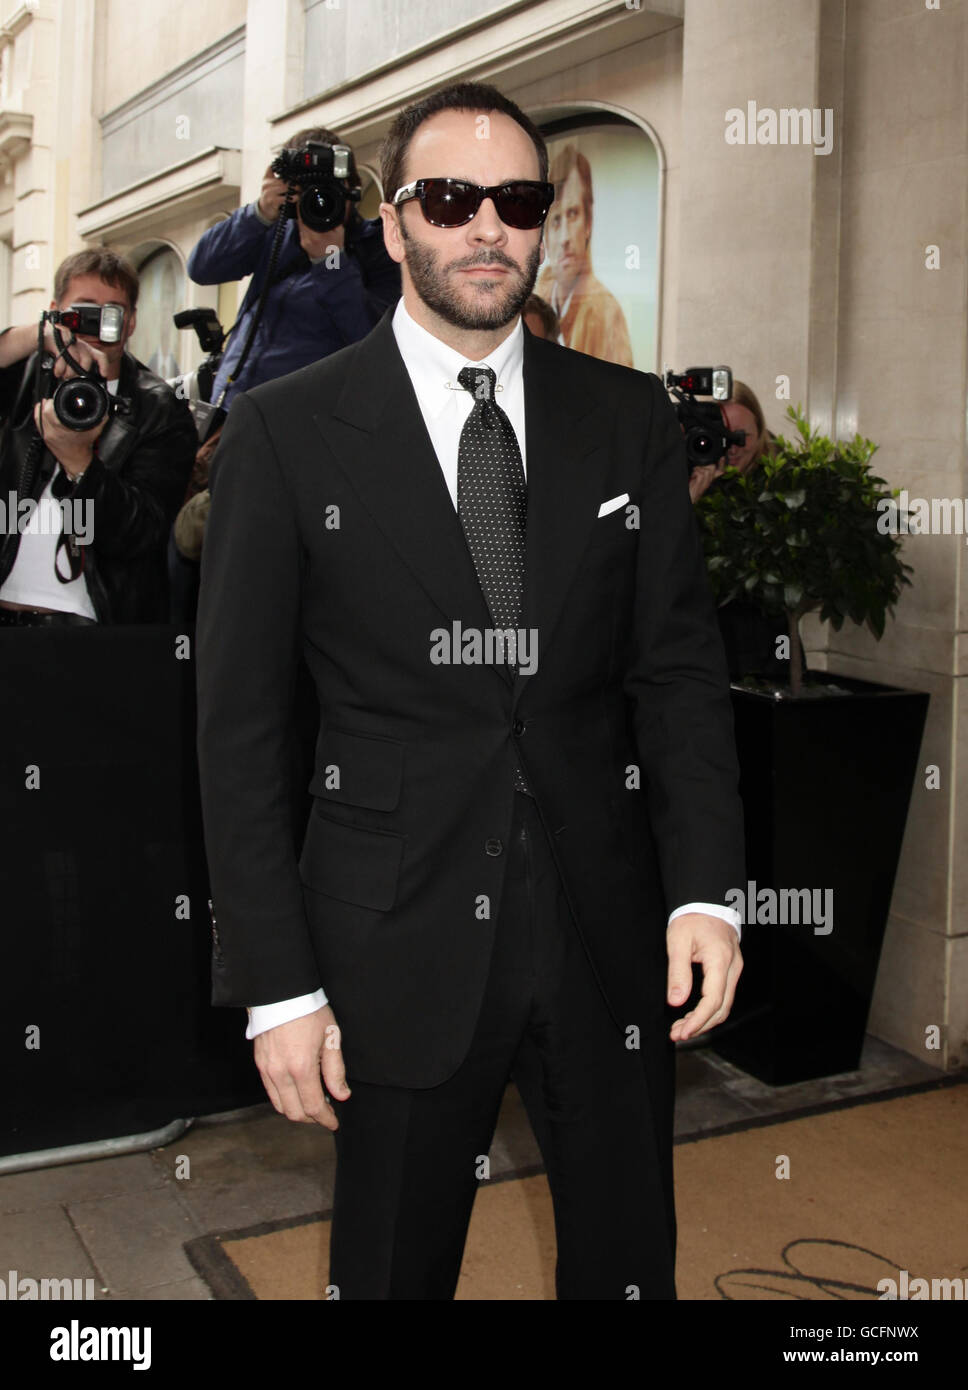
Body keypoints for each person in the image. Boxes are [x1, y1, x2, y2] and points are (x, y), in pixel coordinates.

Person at [196, 80, 745, 1301]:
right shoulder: (286, 434)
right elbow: (239, 730)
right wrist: (277, 983)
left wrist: (704, 886)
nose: (485, 227)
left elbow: (677, 672)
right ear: (393, 226)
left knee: (626, 1263)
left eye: (515, 200)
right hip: (387, 936)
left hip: (605, 930)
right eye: (449, 199)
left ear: (544, 220)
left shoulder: (626, 418)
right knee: (390, 1269)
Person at [0, 249, 196, 626]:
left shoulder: (158, 408)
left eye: (113, 312)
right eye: (84, 311)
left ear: (132, 322)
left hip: (91, 630)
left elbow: (142, 534)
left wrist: (79, 461)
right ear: (56, 310)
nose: (97, 324)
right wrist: (38, 336)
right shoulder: (26, 377)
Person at [187, 127, 401, 411]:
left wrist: (330, 262)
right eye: (305, 191)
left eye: (331, 189)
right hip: (235, 412)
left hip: (306, 427)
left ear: (352, 188)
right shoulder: (276, 234)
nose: (319, 200)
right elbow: (202, 268)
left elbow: (373, 340)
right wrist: (258, 214)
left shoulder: (380, 249)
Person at [688, 380, 797, 680]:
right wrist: (691, 499)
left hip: (767, 647)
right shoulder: (686, 474)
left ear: (760, 431)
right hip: (704, 644)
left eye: (741, 437)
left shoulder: (784, 483)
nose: (732, 448)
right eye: (722, 437)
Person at [534, 143, 634, 367]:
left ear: (588, 223)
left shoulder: (607, 314)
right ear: (545, 235)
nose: (565, 237)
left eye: (573, 214)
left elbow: (620, 399)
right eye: (556, 220)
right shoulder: (535, 299)